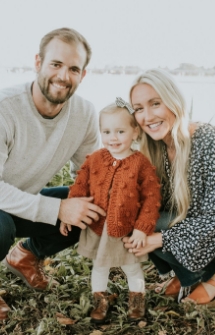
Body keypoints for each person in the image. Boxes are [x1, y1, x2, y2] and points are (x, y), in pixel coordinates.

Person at [0, 27, 106, 320]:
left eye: (73, 68)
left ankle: (25, 256)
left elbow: (90, 174)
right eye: (56, 64)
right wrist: (58, 208)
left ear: (82, 75)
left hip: (23, 203)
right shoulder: (5, 110)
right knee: (0, 226)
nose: (63, 76)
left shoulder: (84, 114)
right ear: (38, 63)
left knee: (92, 206)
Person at [123, 68, 215, 308]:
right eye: (139, 109)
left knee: (150, 228)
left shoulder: (209, 141)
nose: (148, 116)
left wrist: (160, 239)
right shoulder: (155, 147)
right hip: (191, 233)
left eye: (155, 104)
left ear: (173, 101)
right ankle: (187, 276)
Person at [60, 97, 161, 322]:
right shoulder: (95, 159)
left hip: (127, 229)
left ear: (135, 132)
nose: (112, 138)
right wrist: (69, 212)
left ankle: (136, 303)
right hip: (98, 227)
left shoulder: (141, 164)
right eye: (106, 132)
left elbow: (152, 199)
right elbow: (80, 185)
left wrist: (142, 229)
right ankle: (100, 302)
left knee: (132, 267)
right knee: (100, 266)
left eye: (120, 131)